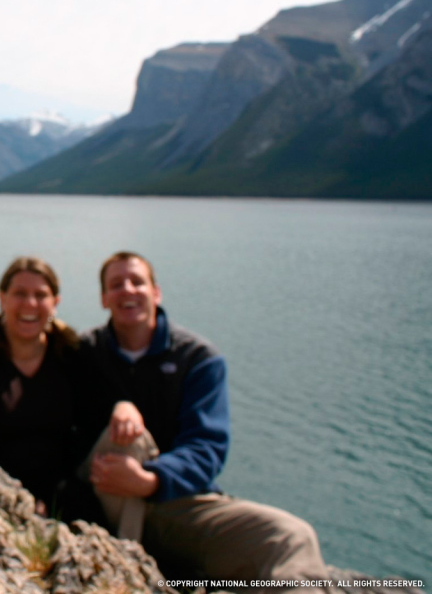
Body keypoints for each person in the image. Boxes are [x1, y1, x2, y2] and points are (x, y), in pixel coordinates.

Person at [83, 250, 330, 583]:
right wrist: (121, 405)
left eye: (137, 281)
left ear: (156, 292)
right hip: (100, 497)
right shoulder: (84, 352)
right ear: (103, 298)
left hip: (174, 505)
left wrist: (151, 480)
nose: (127, 290)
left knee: (291, 537)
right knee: (127, 439)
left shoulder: (198, 359)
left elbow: (206, 447)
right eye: (116, 284)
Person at [0, 256, 98, 519]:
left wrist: (50, 494)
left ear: (55, 303)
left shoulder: (74, 355)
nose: (30, 304)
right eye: (20, 294)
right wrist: (17, 496)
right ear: (2, 298)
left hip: (60, 488)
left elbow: (90, 427)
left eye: (41, 295)